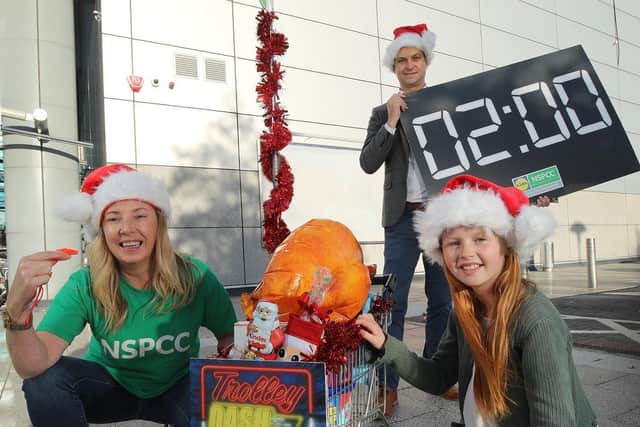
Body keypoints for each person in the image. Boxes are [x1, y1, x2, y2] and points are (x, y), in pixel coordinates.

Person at [2, 164, 237, 427]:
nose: (126, 228)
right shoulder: (85, 283)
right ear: (102, 230)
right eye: (113, 218)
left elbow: (230, 338)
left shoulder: (197, 276)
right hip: (109, 387)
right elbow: (34, 364)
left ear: (159, 222)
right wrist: (17, 310)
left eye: (139, 215)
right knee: (44, 383)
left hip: (177, 387)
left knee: (225, 404)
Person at [356, 174, 597, 426]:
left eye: (480, 239)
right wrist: (386, 345)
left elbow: (554, 420)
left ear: (506, 245)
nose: (466, 253)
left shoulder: (536, 321)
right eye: (454, 242)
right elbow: (439, 376)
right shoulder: (464, 310)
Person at [359, 22, 454, 414]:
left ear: (425, 61)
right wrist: (391, 122)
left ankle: (436, 375)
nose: (409, 65)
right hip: (400, 221)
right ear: (394, 67)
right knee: (392, 304)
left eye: (415, 58)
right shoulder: (383, 112)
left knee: (442, 301)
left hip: (440, 219)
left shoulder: (448, 104)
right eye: (402, 60)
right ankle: (388, 385)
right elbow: (367, 163)